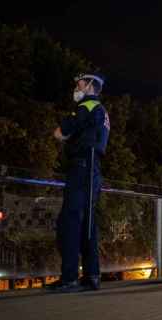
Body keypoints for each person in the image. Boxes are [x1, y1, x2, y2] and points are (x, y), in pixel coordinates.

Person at [50, 73, 110, 293]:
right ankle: (92, 275)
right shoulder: (101, 111)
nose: (76, 88)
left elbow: (61, 133)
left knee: (70, 222)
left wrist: (64, 133)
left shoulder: (87, 106)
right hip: (93, 169)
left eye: (79, 84)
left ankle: (69, 278)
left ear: (91, 86)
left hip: (80, 168)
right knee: (88, 223)